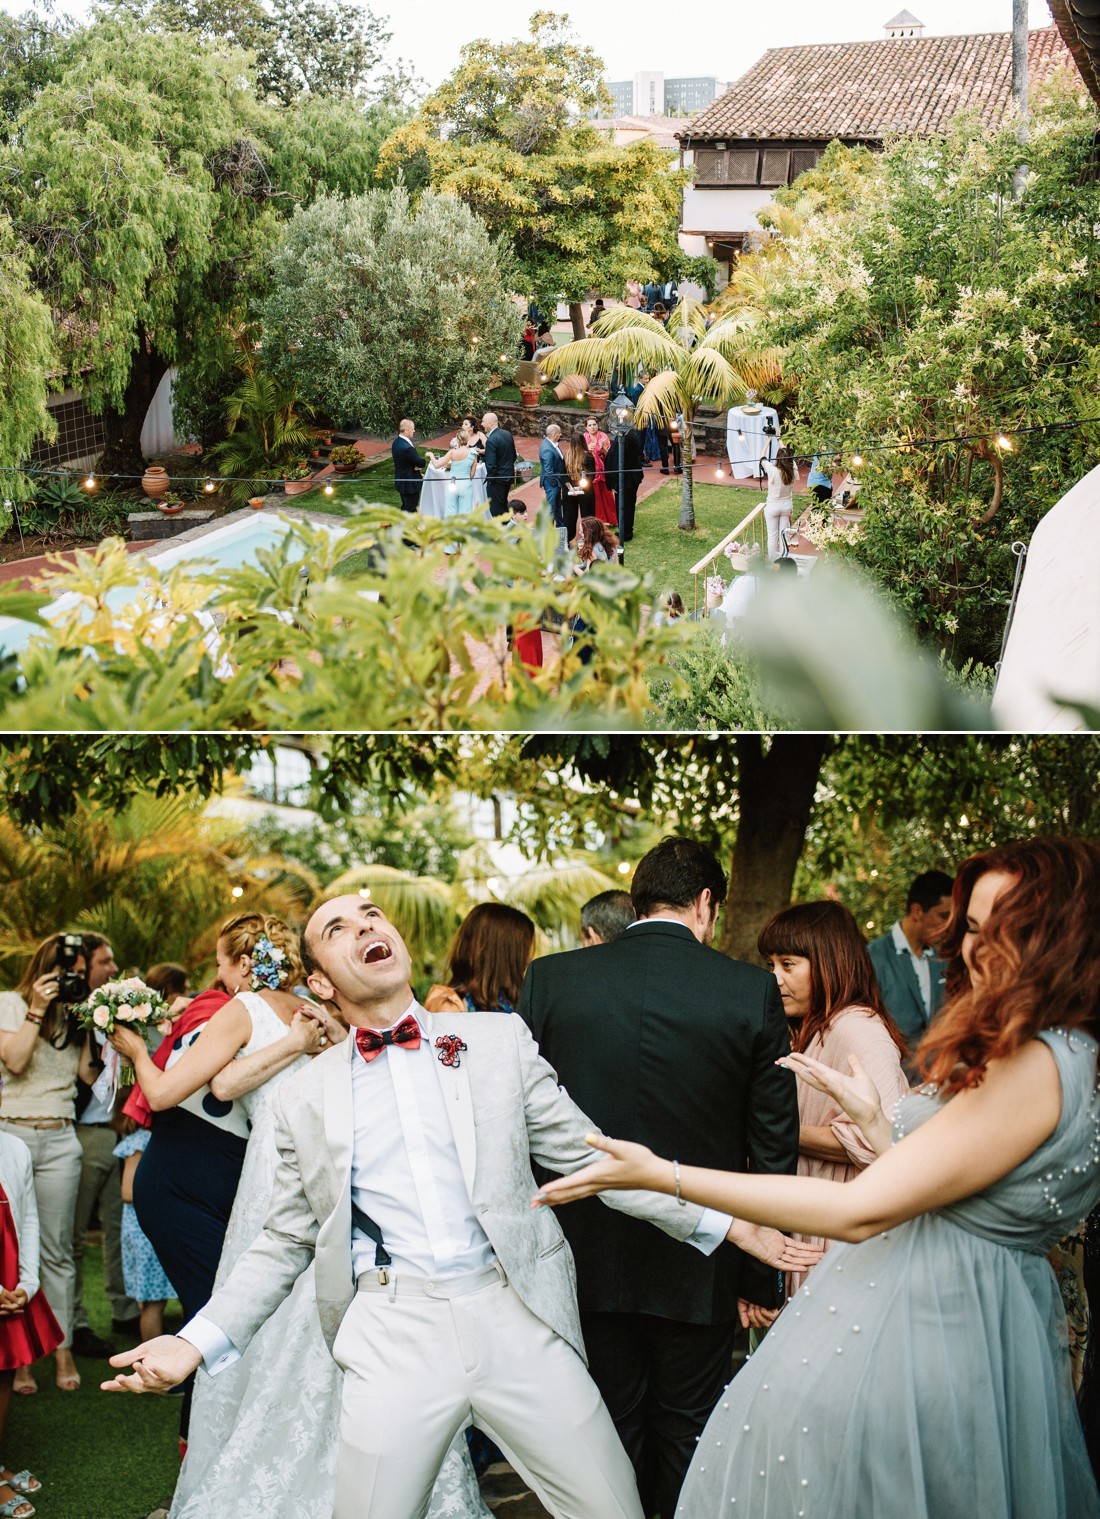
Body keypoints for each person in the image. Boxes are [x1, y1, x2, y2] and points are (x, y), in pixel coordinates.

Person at [104, 894, 809, 1519]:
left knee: (609, 1504)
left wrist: (728, 1225)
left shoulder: (498, 1040)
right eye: (338, 927)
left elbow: (594, 1156)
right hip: (391, 1331)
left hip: (514, 1315)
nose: (365, 926)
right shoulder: (302, 1094)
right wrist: (191, 1341)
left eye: (372, 914)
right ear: (318, 980)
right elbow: (282, 1242)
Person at [536, 837, 1100, 1519]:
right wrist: (879, 1122)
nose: (976, 950)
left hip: (941, 1319)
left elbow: (861, 1209)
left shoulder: (1039, 1062)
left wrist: (666, 1174)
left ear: (1063, 934)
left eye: (1002, 931)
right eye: (971, 929)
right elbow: (965, 1183)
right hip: (970, 1306)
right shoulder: (1068, 1051)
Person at [517, 837, 809, 1519]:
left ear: (638, 895)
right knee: (689, 1432)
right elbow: (773, 1142)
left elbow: (520, 1126)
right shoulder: (747, 989)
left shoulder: (553, 980)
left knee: (603, 1430)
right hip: (700, 1260)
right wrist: (758, 1277)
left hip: (581, 1253)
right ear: (707, 903)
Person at [120, 916, 331, 1440]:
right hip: (321, 1167)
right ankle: (295, 1431)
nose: (217, 974)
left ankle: (218, 1439)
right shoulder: (316, 1014)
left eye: (219, 962)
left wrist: (139, 1053)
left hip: (266, 1171)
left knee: (228, 1310)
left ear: (242, 964)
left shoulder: (243, 1008)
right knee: (298, 1311)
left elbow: (169, 1093)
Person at [758, 901, 909, 1292]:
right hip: (814, 1217)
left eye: (788, 965)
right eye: (771, 965)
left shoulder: (859, 1029)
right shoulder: (810, 1029)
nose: (774, 978)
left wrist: (769, 1131)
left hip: (845, 1233)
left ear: (828, 962)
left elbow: (878, 1141)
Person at [0, 934, 98, 1393]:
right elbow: (16, 1062)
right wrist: (37, 1010)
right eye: (65, 971)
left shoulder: (77, 1013)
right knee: (11, 1252)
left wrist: (109, 1026)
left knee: (58, 1250)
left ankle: (61, 1354)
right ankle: (20, 1360)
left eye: (78, 973)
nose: (71, 980)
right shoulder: (7, 1004)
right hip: (11, 1136)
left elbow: (89, 1078)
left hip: (61, 1137)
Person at [70, 933, 140, 1358]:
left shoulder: (120, 1013)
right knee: (75, 1235)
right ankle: (74, 1322)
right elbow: (84, 1076)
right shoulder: (73, 1013)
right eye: (105, 961)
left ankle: (124, 1309)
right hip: (83, 1132)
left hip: (119, 1134)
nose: (113, 968)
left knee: (120, 1229)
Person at [0, 1110, 63, 1519]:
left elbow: (27, 1219)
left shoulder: (15, 1148)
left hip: (10, 1285)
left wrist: (27, 1282)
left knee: (3, 1370)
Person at [867, 869, 954, 1054]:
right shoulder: (873, 957)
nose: (949, 926)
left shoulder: (944, 957)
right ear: (917, 912)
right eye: (943, 916)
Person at [424, 903, 537, 1017]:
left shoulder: (521, 1004)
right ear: (501, 956)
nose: (528, 960)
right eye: (522, 952)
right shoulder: (450, 1005)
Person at [604, 426, 645, 542]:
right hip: (630, 478)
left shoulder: (625, 438)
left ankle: (626, 532)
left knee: (624, 506)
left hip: (626, 480)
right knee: (628, 505)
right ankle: (626, 530)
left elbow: (617, 461)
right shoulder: (631, 435)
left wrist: (614, 483)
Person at [582, 416, 617, 529]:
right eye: (590, 425)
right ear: (586, 428)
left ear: (597, 425)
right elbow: (581, 455)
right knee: (595, 496)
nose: (592, 427)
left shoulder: (603, 436)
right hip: (592, 472)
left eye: (594, 424)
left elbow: (609, 455)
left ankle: (611, 519)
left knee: (607, 494)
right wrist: (587, 449)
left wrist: (603, 449)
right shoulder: (584, 438)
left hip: (604, 470)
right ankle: (598, 520)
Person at [763, 443, 797, 559]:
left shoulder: (772, 469)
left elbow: (762, 458)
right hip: (786, 506)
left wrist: (768, 441)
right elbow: (788, 456)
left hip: (773, 506)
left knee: (772, 536)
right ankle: (784, 560)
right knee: (784, 535)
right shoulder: (792, 470)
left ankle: (772, 561)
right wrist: (779, 439)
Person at [433, 427, 476, 518]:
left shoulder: (452, 453)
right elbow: (472, 474)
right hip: (466, 484)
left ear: (458, 439)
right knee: (466, 512)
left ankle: (451, 531)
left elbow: (437, 465)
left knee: (450, 511)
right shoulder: (473, 453)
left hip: (453, 484)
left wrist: (431, 455)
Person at [562, 429, 595, 549]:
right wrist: (581, 486)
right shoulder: (588, 456)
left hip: (569, 491)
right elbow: (592, 474)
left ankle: (568, 541)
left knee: (569, 517)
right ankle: (589, 539)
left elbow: (563, 474)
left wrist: (570, 487)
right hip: (585, 490)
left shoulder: (566, 456)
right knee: (588, 515)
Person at [481, 413, 517, 519]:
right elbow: (513, 456)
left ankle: (502, 531)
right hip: (509, 476)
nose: (482, 424)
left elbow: (490, 464)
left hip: (497, 480)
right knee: (503, 504)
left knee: (496, 509)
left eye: (483, 421)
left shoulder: (491, 440)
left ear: (490, 423)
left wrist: (491, 480)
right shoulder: (507, 434)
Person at [539, 424, 568, 548]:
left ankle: (560, 531)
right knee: (551, 510)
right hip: (552, 485)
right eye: (560, 433)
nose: (561, 435)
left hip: (556, 484)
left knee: (557, 509)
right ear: (555, 434)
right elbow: (548, 472)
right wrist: (555, 485)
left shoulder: (552, 444)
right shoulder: (547, 449)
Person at [392, 420, 426, 513]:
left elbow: (405, 461)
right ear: (406, 430)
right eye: (412, 429)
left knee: (405, 506)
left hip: (401, 479)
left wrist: (415, 466)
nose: (414, 431)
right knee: (411, 508)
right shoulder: (407, 448)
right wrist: (419, 465)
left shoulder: (396, 442)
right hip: (409, 482)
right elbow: (420, 462)